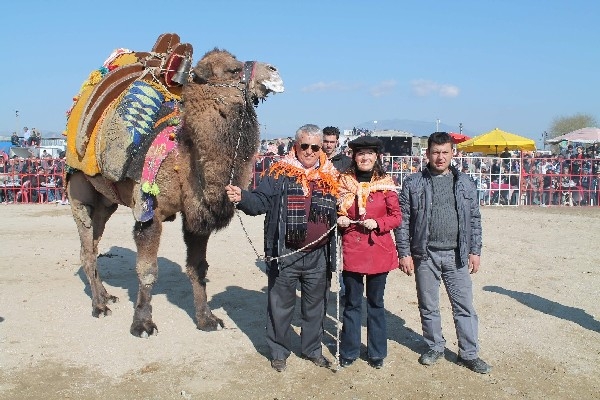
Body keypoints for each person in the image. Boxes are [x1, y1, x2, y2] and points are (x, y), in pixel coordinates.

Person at [225, 124, 339, 372]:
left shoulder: (331, 176)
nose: (309, 151)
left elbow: (345, 206)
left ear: (321, 149)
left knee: (315, 307)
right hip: (285, 253)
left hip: (319, 255)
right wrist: (242, 197)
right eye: (305, 146)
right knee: (280, 306)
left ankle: (312, 350)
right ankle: (278, 351)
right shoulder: (278, 173)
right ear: (296, 146)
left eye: (315, 147)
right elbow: (260, 201)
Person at [394, 132, 491, 374]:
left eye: (445, 152)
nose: (440, 157)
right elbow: (403, 221)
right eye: (435, 152)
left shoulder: (465, 182)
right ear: (427, 154)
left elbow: (474, 220)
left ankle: (469, 354)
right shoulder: (413, 183)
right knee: (429, 306)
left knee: (464, 306)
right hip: (425, 255)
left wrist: (475, 251)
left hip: (457, 255)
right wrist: (404, 252)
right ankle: (434, 346)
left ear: (452, 153)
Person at [336, 136, 401, 369]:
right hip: (353, 249)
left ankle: (376, 353)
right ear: (354, 157)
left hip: (378, 251)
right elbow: (334, 208)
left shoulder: (385, 184)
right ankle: (350, 351)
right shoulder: (343, 182)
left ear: (376, 157)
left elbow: (396, 217)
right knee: (352, 303)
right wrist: (339, 217)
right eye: (360, 153)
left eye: (369, 154)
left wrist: (379, 223)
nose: (364, 157)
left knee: (376, 303)